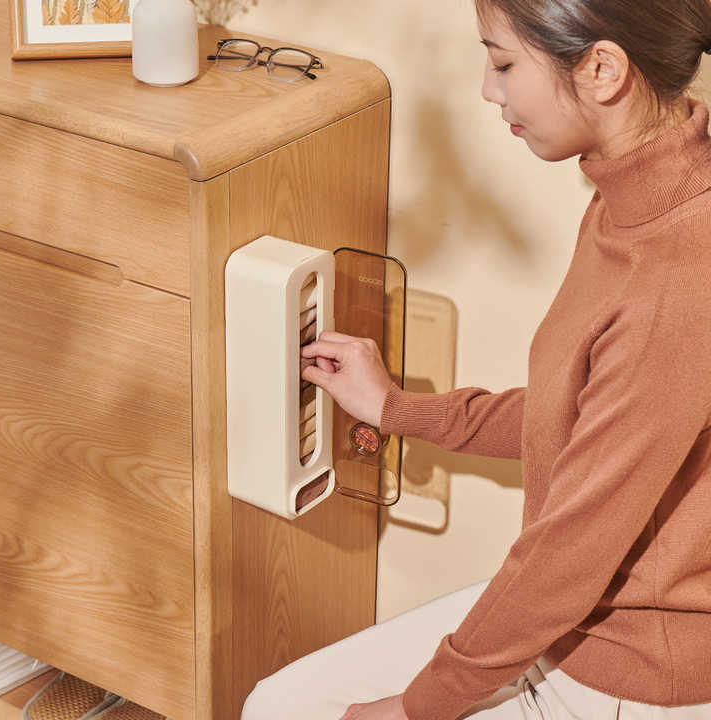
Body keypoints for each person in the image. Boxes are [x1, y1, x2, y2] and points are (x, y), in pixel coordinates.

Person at [243, 1, 711, 718]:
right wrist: (398, 409)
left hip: (628, 672)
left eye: (502, 63)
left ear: (601, 68)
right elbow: (583, 416)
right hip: (574, 622)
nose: (490, 91)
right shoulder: (633, 199)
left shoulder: (676, 272)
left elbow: (571, 551)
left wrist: (413, 709)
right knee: (280, 704)